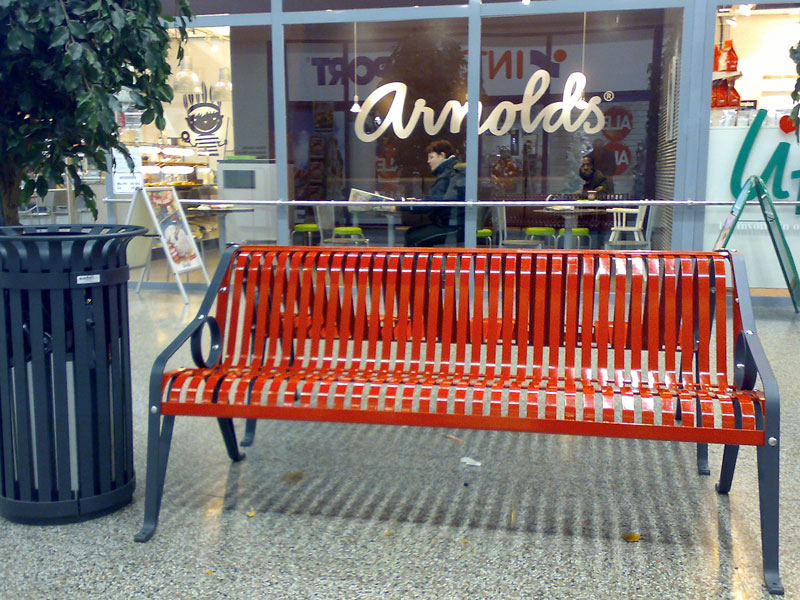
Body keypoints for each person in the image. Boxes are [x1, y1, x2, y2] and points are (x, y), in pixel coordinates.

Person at [404, 139, 465, 247]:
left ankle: (421, 259)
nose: (428, 161)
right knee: (413, 233)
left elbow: (434, 202)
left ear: (442, 155)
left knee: (413, 237)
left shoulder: (447, 175)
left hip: (452, 226)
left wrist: (401, 207)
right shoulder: (452, 171)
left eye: (431, 157)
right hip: (455, 223)